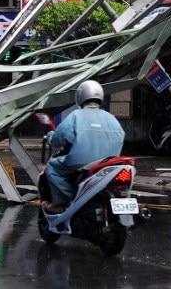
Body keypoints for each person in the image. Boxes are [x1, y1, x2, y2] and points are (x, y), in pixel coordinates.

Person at [42, 80, 125, 213]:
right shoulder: (111, 118)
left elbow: (58, 140)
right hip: (109, 165)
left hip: (82, 164)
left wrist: (51, 136)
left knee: (52, 167)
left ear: (80, 97)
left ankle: (64, 202)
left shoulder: (76, 116)